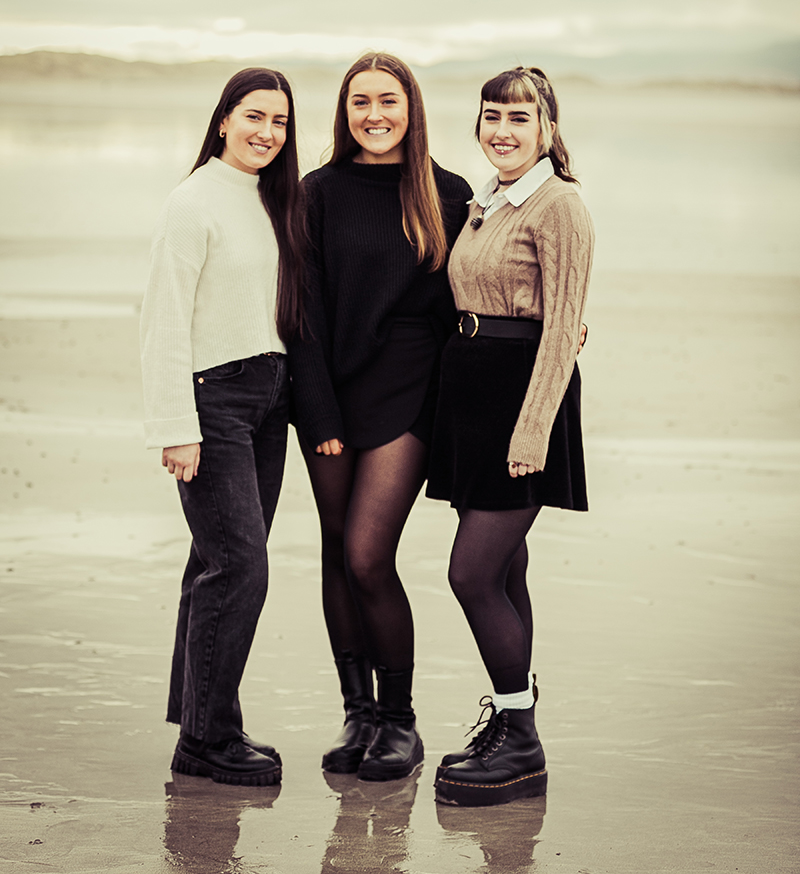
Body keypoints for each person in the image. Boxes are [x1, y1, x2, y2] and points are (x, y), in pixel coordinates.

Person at [288, 52, 472, 782]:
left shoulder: (448, 193)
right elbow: (300, 312)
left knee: (368, 555)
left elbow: (484, 285)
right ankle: (357, 713)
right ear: (345, 110)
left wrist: (559, 323)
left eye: (387, 101)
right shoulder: (316, 192)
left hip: (411, 392)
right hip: (331, 391)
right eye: (360, 101)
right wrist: (318, 407)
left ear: (410, 107)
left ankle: (400, 721)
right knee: (336, 551)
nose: (374, 114)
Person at [426, 66, 594, 807]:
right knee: (504, 572)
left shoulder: (558, 205)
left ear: (548, 131)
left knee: (470, 574)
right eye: (492, 115)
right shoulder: (483, 201)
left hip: (521, 402)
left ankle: (520, 734)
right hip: (472, 397)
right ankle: (512, 723)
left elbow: (562, 327)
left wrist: (533, 431)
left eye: (519, 119)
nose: (502, 130)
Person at [140, 67, 304, 787]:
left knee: (214, 565)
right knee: (240, 567)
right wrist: (176, 426)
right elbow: (164, 318)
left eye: (280, 122)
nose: (267, 133)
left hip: (269, 398)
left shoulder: (272, 200)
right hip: (213, 403)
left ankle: (206, 726)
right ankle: (208, 742)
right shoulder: (193, 201)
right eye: (254, 117)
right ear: (223, 120)